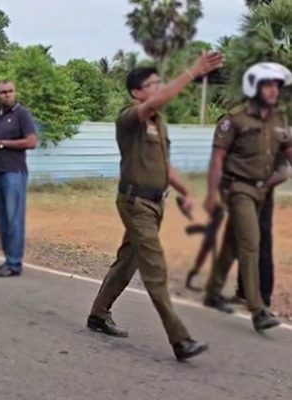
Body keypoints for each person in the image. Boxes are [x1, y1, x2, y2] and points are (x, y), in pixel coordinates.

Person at [87, 52, 223, 361]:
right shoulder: (129, 118)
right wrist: (192, 72)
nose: (159, 89)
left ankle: (98, 313)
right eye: (153, 85)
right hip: (135, 203)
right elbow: (155, 103)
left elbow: (163, 163)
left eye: (160, 83)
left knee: (128, 262)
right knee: (154, 267)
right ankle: (180, 340)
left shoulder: (158, 124)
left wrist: (185, 191)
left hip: (154, 203)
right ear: (137, 92)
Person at [203, 62, 292, 332]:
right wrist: (211, 193)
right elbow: (217, 159)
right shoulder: (235, 119)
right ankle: (258, 309)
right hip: (237, 189)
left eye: (277, 86)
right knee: (251, 244)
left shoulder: (279, 120)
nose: (273, 90)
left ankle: (213, 290)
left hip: (262, 190)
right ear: (254, 87)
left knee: (233, 242)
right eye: (268, 85)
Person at [208, 153, 289, 310]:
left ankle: (262, 297)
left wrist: (262, 186)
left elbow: (283, 173)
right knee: (242, 240)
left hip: (259, 194)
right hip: (242, 193)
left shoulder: (272, 141)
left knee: (260, 242)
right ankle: (244, 292)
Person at [0, 80, 37, 278]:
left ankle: (14, 264)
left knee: (14, 219)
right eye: (3, 92)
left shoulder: (22, 114)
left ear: (15, 92)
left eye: (10, 91)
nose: (7, 95)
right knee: (2, 219)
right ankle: (8, 260)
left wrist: (2, 144)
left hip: (13, 172)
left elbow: (32, 142)